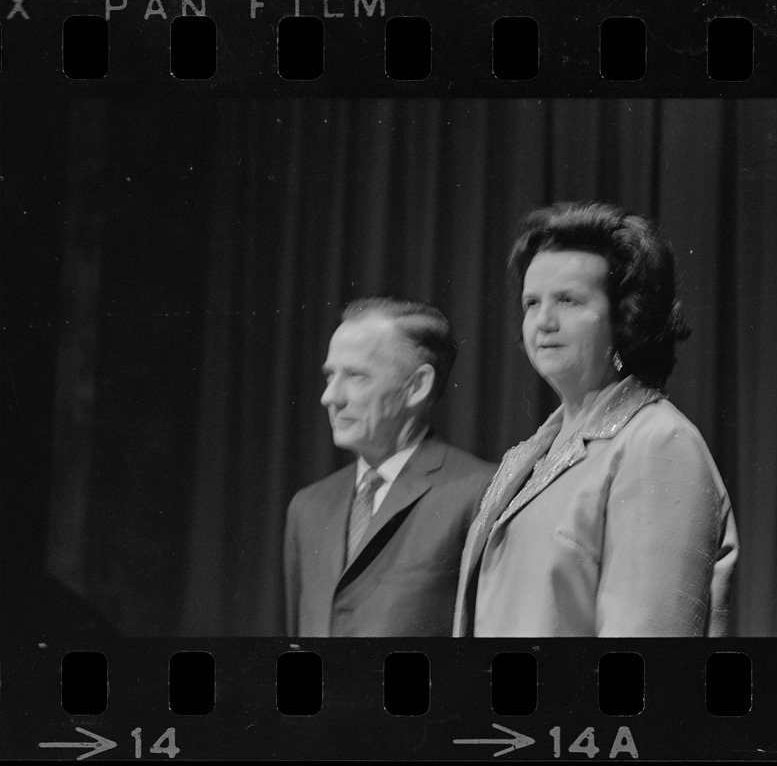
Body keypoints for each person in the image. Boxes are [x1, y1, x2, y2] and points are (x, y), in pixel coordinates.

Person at [454, 202, 739, 637]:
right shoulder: (528, 454)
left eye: (567, 300)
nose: (543, 321)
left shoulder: (659, 443)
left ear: (626, 317)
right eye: (532, 302)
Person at [284, 297, 496, 636]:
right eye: (330, 376)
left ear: (417, 386)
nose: (330, 397)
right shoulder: (308, 506)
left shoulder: (480, 490)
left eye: (355, 376)